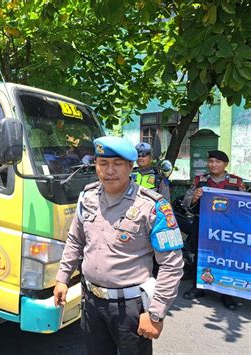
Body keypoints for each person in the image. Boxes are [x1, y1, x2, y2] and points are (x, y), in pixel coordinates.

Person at [53, 136, 184, 355]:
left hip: (130, 309)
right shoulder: (87, 197)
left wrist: (155, 313)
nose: (109, 170)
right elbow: (75, 240)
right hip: (92, 302)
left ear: (130, 166)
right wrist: (62, 278)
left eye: (117, 164)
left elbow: (172, 265)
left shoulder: (152, 206)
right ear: (96, 165)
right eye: (103, 163)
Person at [182, 150, 246, 310]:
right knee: (200, 255)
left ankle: (226, 292)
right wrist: (194, 197)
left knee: (226, 257)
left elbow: (244, 205)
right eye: (210, 161)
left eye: (217, 162)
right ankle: (199, 287)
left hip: (228, 228)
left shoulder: (236, 182)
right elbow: (186, 202)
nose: (213, 165)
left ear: (225, 164)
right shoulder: (200, 180)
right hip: (203, 225)